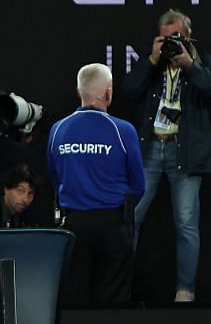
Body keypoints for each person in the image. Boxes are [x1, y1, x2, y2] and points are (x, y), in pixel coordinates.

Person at [121, 10, 211, 303]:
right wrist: (152, 59)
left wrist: (190, 65)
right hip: (150, 148)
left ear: (188, 35)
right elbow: (128, 90)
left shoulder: (202, 60)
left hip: (185, 150)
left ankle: (185, 291)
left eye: (176, 37)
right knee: (132, 219)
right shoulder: (151, 62)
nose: (170, 43)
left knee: (186, 223)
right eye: (165, 38)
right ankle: (121, 288)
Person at [47, 63, 146, 308]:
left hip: (74, 225)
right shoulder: (123, 130)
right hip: (113, 224)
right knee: (113, 302)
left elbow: (54, 176)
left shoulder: (57, 130)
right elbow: (139, 184)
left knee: (76, 299)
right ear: (108, 93)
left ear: (78, 91)